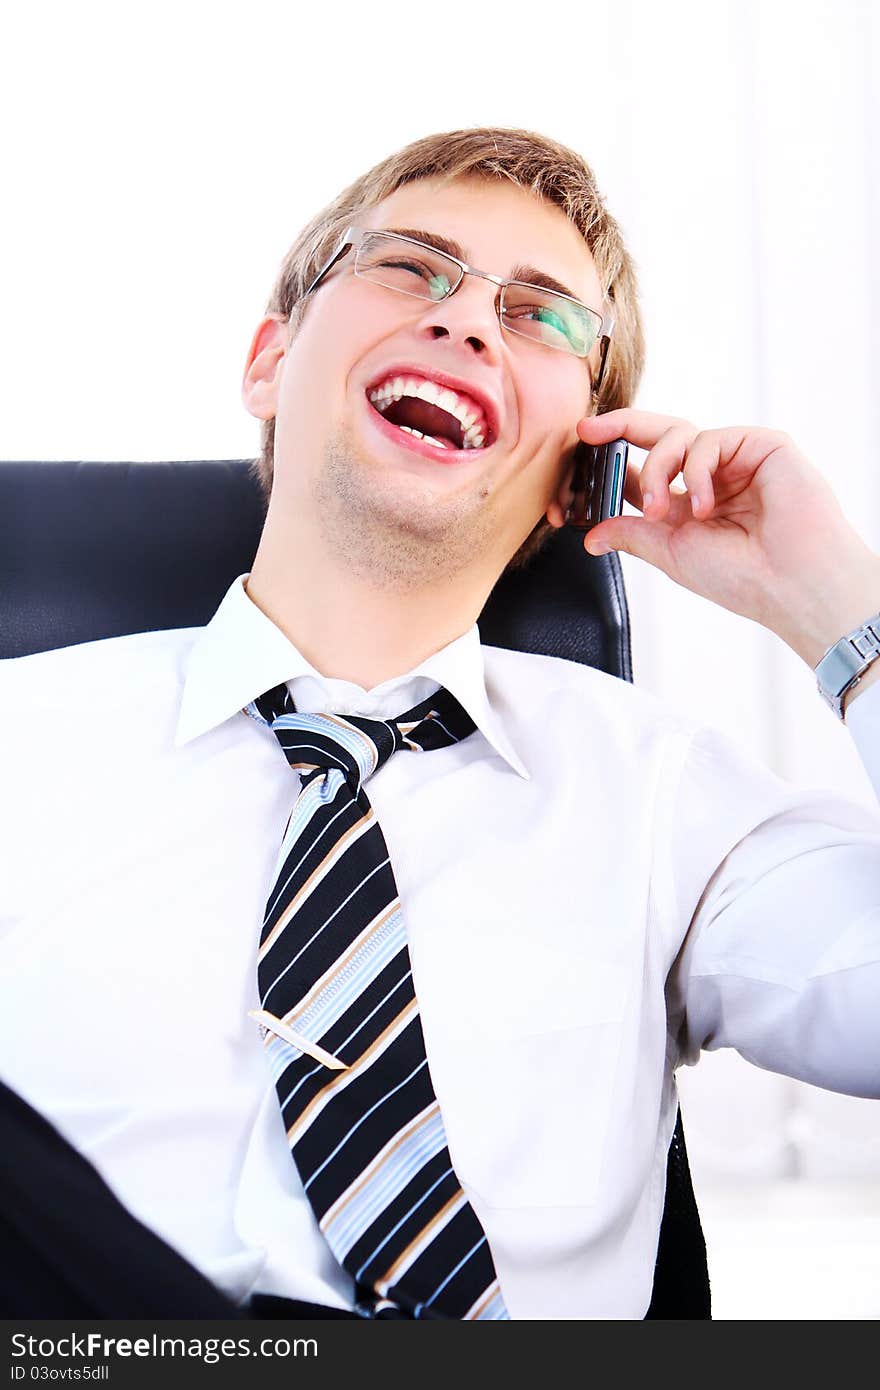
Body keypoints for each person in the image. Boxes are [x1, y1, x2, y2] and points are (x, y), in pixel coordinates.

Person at [1, 125, 879, 1322]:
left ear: (588, 468)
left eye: (541, 316)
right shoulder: (21, 737)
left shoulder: (666, 798)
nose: (465, 321)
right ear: (270, 360)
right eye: (410, 266)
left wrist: (839, 611)